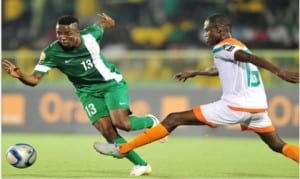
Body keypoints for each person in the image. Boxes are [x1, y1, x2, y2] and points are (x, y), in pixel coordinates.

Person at [93, 13, 299, 164]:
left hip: (237, 106)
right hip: (257, 107)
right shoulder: (238, 45)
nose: (204, 34)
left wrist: (278, 71)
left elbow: (248, 58)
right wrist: (196, 72)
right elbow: (223, 67)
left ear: (219, 30)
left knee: (174, 118)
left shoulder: (225, 46)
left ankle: (122, 149)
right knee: (277, 145)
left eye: (207, 30)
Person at [2, 13, 167, 176]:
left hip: (110, 84)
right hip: (86, 92)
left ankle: (150, 121)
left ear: (78, 32)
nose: (63, 37)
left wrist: (109, 22)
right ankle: (141, 164)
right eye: (59, 33)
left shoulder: (90, 36)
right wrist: (20, 75)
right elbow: (34, 80)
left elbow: (101, 26)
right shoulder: (51, 53)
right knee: (107, 131)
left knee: (123, 124)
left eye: (68, 33)